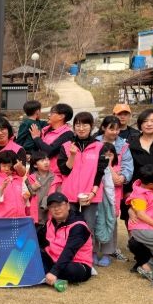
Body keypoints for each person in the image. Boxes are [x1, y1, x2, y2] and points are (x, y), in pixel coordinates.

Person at [57, 111, 107, 261]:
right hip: (69, 193)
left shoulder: (100, 147)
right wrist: (72, 155)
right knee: (69, 225)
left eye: (85, 124)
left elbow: (100, 172)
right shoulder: (66, 146)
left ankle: (86, 258)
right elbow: (64, 170)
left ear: (91, 126)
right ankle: (68, 256)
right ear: (74, 127)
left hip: (90, 194)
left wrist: (93, 192)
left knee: (88, 226)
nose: (81, 128)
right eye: (78, 124)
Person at [95, 115, 133, 262]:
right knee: (93, 218)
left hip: (114, 190)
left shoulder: (123, 146)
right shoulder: (95, 142)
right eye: (111, 129)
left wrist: (123, 177)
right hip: (96, 187)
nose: (115, 132)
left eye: (117, 129)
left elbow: (128, 166)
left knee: (110, 218)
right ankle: (92, 250)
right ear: (103, 128)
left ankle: (107, 252)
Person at [38, 192, 93, 287]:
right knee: (34, 255)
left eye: (59, 205)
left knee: (70, 270)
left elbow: (69, 251)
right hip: (54, 259)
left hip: (76, 263)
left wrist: (54, 272)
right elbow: (38, 239)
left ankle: (49, 273)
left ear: (68, 206)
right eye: (52, 206)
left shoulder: (79, 226)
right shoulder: (49, 223)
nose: (56, 209)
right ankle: (49, 274)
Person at [29, 103, 74, 186]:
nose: (48, 115)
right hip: (38, 174)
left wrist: (36, 138)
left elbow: (50, 151)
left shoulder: (67, 134)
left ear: (61, 116)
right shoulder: (45, 130)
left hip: (54, 177)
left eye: (52, 113)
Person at [0, 150, 29, 218]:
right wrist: (2, 188)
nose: (7, 169)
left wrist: (26, 196)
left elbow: (25, 194)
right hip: (3, 218)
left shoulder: (19, 179)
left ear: (14, 166)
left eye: (9, 166)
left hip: (20, 216)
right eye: (4, 166)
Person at [26, 150, 56, 226]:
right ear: (35, 165)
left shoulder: (55, 178)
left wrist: (46, 199)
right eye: (42, 160)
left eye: (47, 159)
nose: (46, 162)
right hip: (35, 215)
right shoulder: (30, 178)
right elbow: (25, 195)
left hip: (50, 214)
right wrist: (32, 188)